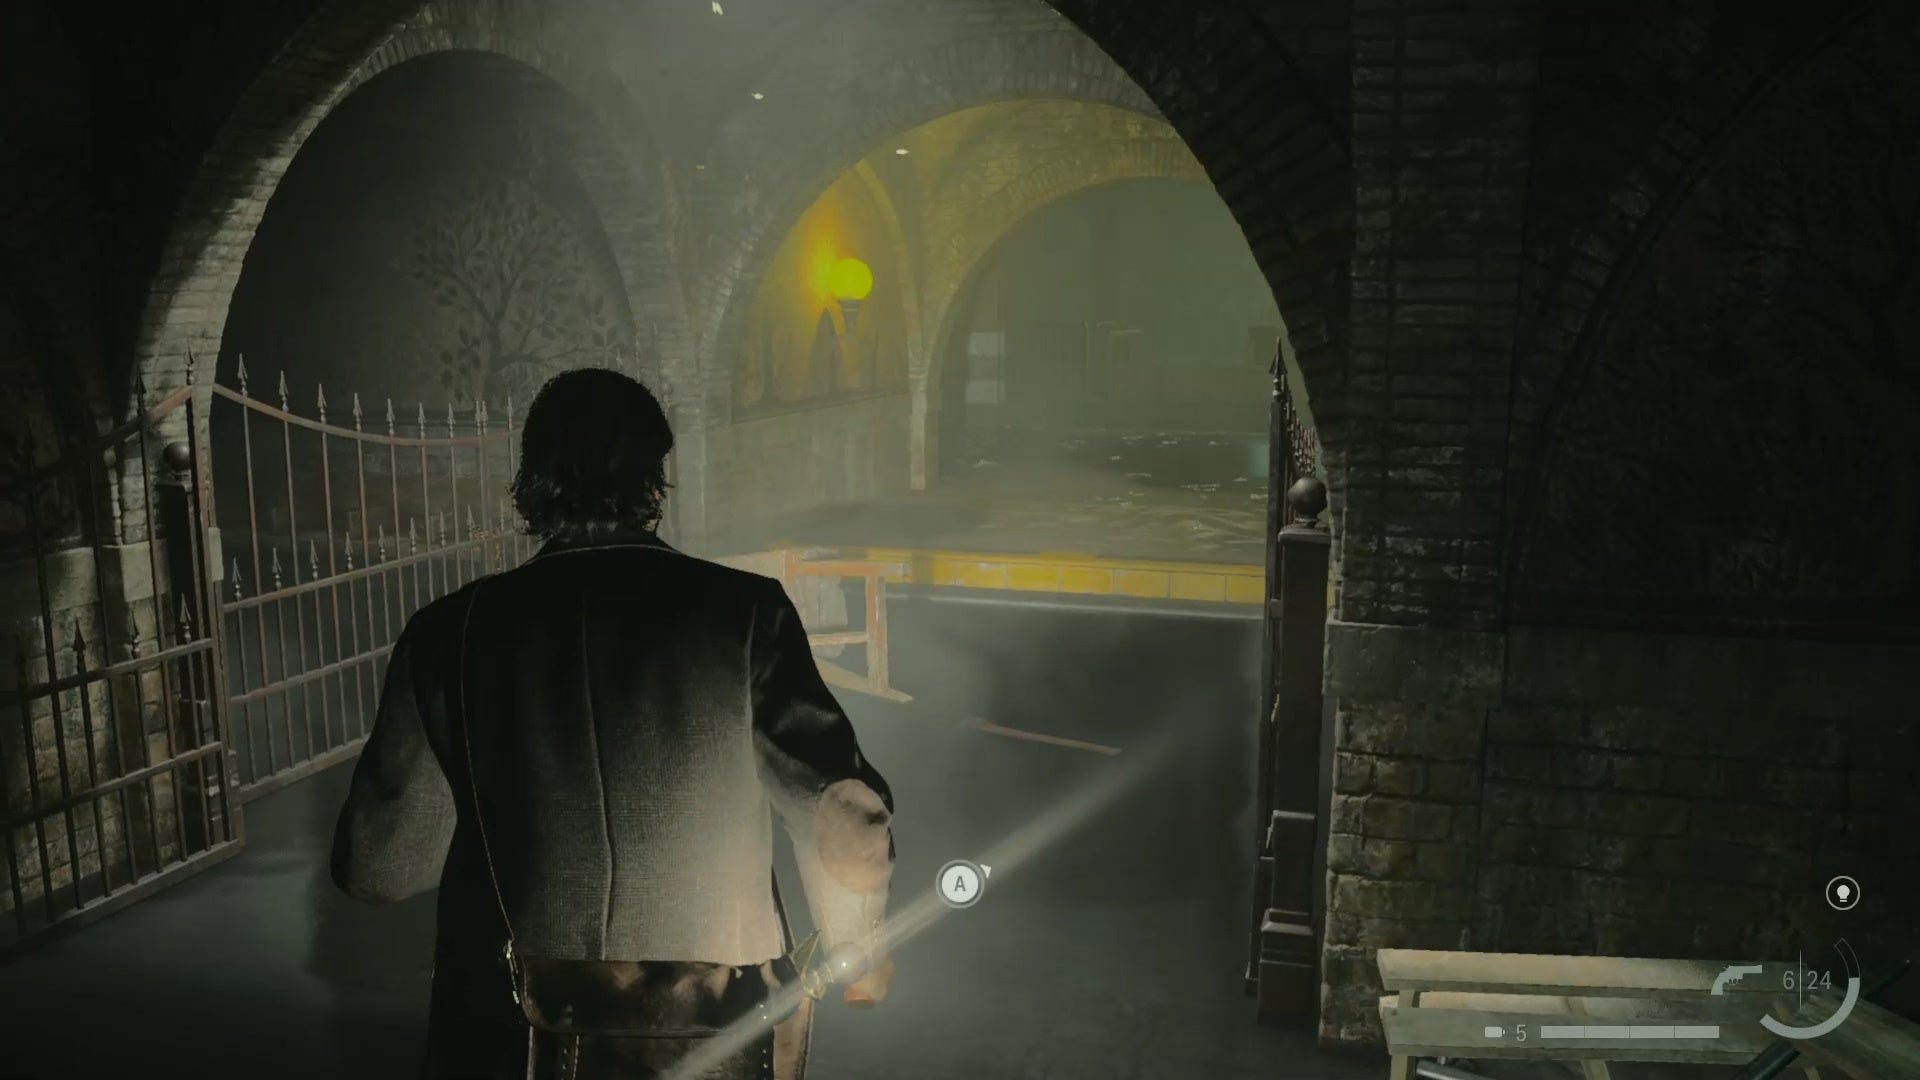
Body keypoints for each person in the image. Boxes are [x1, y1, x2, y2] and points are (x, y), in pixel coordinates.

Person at [330, 367, 896, 1079]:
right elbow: (845, 814)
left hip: (510, 1031)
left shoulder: (449, 632)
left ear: (532, 479)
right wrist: (857, 948)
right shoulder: (746, 614)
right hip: (712, 1030)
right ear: (654, 479)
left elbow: (379, 871)